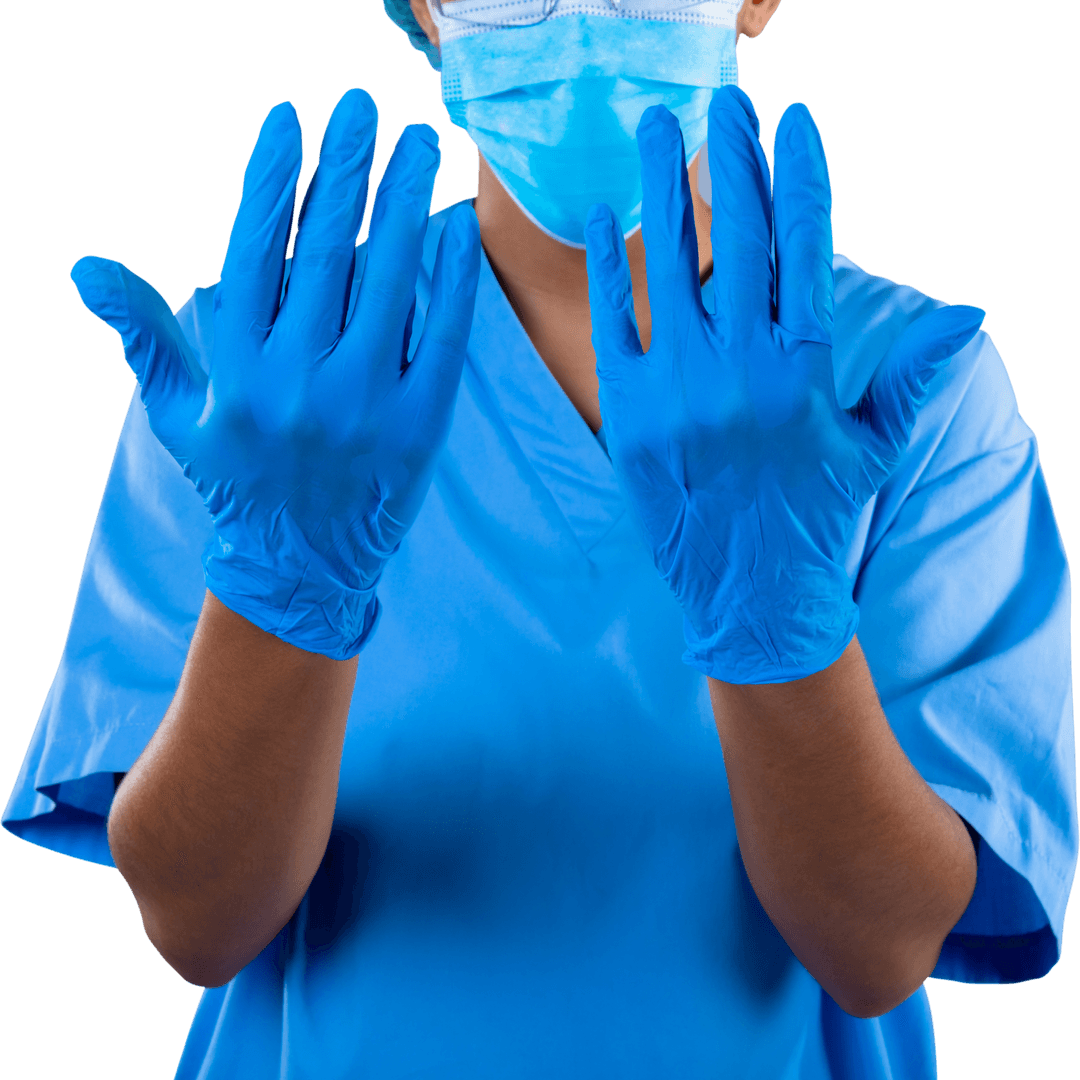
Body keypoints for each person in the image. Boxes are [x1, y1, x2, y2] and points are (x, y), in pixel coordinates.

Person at [3, 0, 1075, 1076]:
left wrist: (783, 636)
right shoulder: (261, 397)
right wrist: (276, 590)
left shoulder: (907, 398)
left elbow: (882, 951)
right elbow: (196, 924)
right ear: (423, 7)